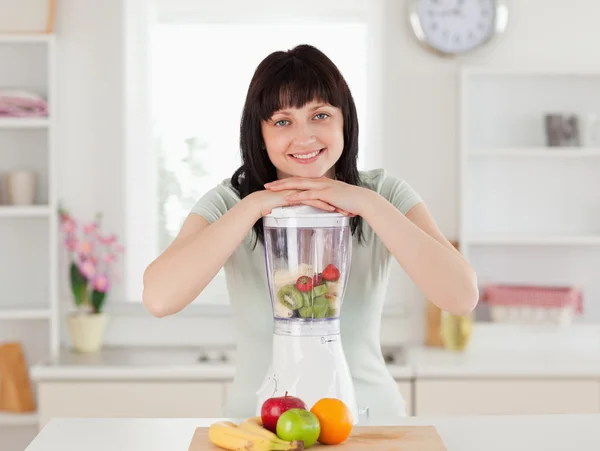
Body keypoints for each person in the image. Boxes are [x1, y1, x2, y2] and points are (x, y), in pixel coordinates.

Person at [142, 44, 478, 422]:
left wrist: (367, 203)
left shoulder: (383, 193)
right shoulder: (230, 201)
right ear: (260, 133)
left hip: (370, 422)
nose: (304, 137)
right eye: (283, 121)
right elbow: (159, 298)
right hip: (258, 424)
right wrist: (254, 206)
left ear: (344, 122)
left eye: (319, 115)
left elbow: (461, 296)